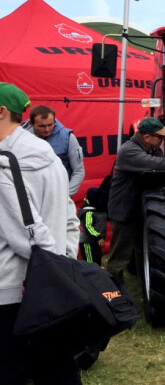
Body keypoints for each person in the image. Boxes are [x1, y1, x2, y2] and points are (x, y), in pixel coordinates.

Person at [0, 82, 81, 384]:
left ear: (2, 112)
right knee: (58, 370)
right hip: (51, 288)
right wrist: (64, 267)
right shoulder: (46, 152)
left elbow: (27, 235)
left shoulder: (5, 162)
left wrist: (52, 265)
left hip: (13, 293)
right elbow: (69, 217)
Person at [105, 117, 165, 290]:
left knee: (140, 246)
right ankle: (112, 282)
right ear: (146, 137)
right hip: (124, 209)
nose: (162, 140)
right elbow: (154, 164)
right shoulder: (129, 151)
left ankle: (139, 276)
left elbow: (159, 167)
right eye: (159, 137)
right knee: (121, 249)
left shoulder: (151, 148)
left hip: (138, 207)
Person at [24, 105, 84, 197]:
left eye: (50, 124)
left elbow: (79, 171)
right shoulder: (22, 138)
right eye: (42, 126)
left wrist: (66, 196)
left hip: (60, 194)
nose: (47, 129)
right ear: (31, 123)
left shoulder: (68, 137)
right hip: (32, 195)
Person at [78, 187, 107, 266]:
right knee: (90, 264)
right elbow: (88, 226)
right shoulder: (88, 212)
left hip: (96, 242)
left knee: (97, 263)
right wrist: (98, 237)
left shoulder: (98, 209)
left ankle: (97, 277)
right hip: (88, 242)